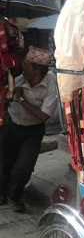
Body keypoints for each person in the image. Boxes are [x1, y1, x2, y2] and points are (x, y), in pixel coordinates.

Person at [0, 46, 58, 212]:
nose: (22, 67)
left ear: (38, 69)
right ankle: (2, 193)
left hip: (33, 131)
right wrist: (9, 95)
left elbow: (44, 116)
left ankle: (14, 196)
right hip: (11, 124)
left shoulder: (51, 86)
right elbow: (7, 98)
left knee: (24, 167)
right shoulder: (19, 79)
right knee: (4, 162)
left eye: (25, 65)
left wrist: (21, 99)